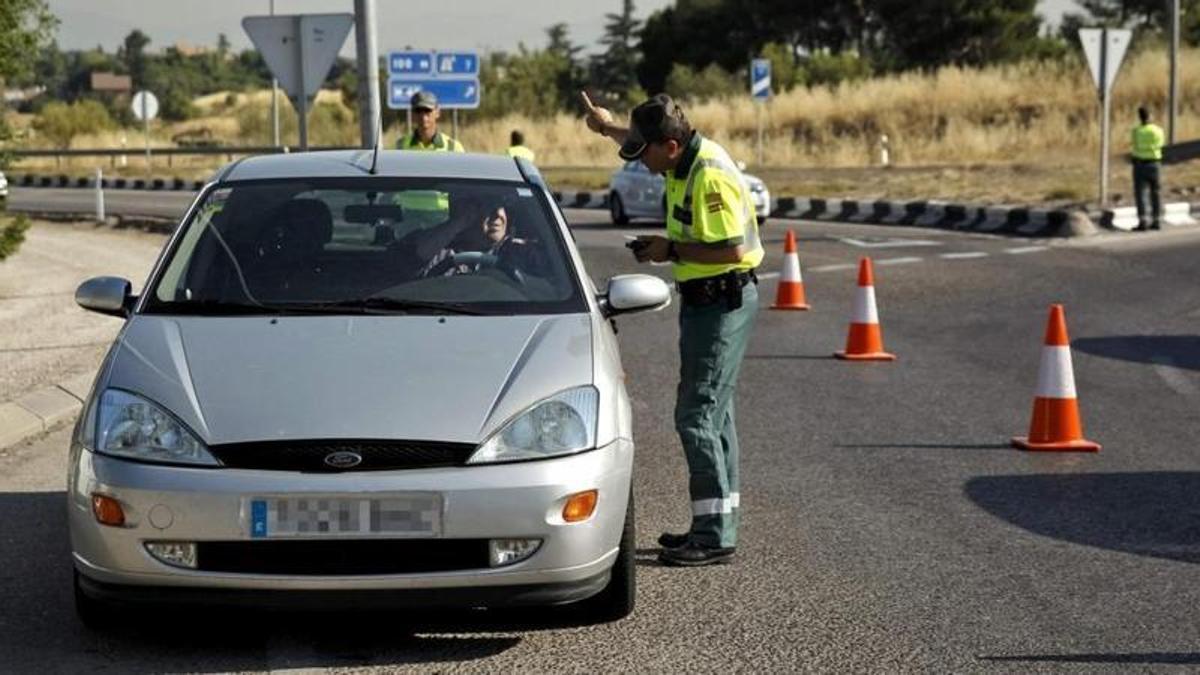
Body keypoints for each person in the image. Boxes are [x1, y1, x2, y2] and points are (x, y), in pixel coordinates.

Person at [581, 91, 763, 567]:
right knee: (715, 415)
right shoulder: (681, 158)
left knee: (696, 416)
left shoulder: (709, 177)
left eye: (647, 155)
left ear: (672, 146)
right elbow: (638, 141)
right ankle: (717, 522)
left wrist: (669, 251)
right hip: (706, 299)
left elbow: (731, 250)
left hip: (721, 299)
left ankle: (712, 535)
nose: (642, 166)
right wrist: (607, 128)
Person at [418, 203, 540, 279]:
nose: (498, 214)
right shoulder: (439, 253)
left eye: (501, 206)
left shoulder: (522, 254)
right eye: (488, 206)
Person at [1132, 106, 1165, 231]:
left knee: (1141, 193)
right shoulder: (1158, 130)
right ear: (1150, 116)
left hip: (1140, 164)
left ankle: (1143, 220)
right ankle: (1157, 220)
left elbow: (1135, 145)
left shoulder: (1136, 131)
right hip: (1155, 164)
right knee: (1156, 192)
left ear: (1140, 117)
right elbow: (1161, 144)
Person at [397, 91, 465, 152]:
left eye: (427, 110)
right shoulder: (400, 147)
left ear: (437, 112)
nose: (423, 116)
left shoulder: (453, 148)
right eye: (418, 111)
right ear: (412, 114)